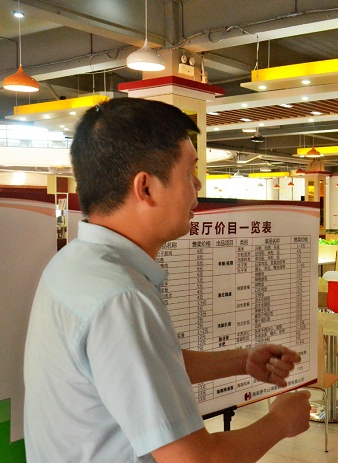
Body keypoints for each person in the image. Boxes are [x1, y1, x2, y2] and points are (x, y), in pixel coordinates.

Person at [23, 98, 311, 463]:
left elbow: (138, 368)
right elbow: (194, 459)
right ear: (145, 188)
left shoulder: (74, 265)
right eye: (189, 172)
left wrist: (241, 362)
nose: (197, 184)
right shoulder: (120, 297)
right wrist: (280, 423)